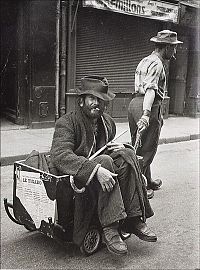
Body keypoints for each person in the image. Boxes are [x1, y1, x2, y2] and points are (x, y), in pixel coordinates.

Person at [50, 75, 157, 256]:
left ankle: (133, 217)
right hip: (76, 177)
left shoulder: (107, 122)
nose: (97, 104)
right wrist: (95, 169)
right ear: (81, 101)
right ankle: (110, 227)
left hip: (99, 174)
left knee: (128, 155)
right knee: (106, 161)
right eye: (92, 98)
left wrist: (121, 147)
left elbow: (105, 150)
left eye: (101, 100)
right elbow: (60, 155)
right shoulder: (66, 122)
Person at [128, 30, 183, 199]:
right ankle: (138, 189)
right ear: (165, 47)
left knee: (139, 145)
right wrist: (146, 114)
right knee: (146, 150)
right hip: (148, 106)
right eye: (173, 48)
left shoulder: (145, 60)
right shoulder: (158, 64)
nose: (174, 52)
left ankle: (147, 179)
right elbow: (151, 90)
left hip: (134, 104)